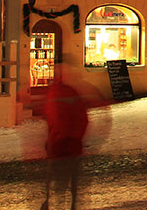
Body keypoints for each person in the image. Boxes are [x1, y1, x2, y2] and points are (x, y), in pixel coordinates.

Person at [39, 65, 91, 210]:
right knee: (72, 177)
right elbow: (82, 118)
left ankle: (51, 201)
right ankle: (72, 204)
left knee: (54, 177)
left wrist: (54, 137)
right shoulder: (72, 93)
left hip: (58, 143)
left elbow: (53, 117)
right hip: (72, 143)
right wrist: (77, 137)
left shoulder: (55, 93)